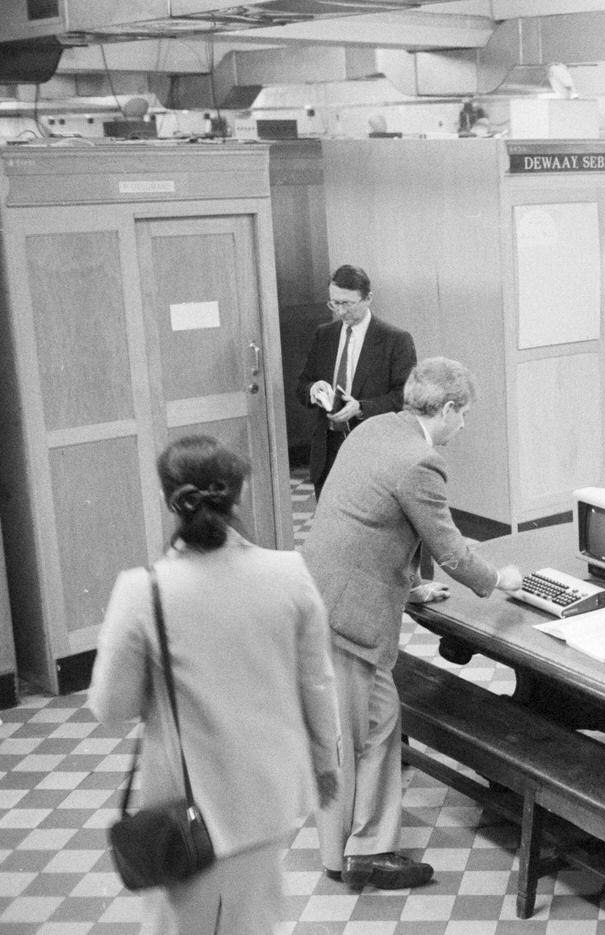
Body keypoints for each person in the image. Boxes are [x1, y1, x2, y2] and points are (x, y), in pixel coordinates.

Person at [88, 436, 340, 934]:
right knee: (255, 923)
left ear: (169, 501)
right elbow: (318, 685)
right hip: (271, 796)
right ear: (239, 494)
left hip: (187, 807)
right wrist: (325, 765)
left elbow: (111, 706)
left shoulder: (144, 590)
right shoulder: (289, 573)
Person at [301, 356, 524, 891]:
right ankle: (360, 855)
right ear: (446, 408)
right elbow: (451, 550)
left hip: (321, 593)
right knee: (362, 731)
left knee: (365, 728)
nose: (465, 425)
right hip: (350, 615)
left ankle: (358, 849)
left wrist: (412, 585)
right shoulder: (421, 462)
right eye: (464, 414)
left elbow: (373, 519)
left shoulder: (375, 429)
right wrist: (502, 580)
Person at [296, 264, 417, 497]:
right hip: (328, 449)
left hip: (373, 450)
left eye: (346, 304)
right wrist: (313, 390)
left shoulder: (395, 340)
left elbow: (406, 397)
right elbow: (302, 384)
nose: (339, 311)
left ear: (368, 298)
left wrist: (360, 408)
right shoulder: (324, 336)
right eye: (334, 303)